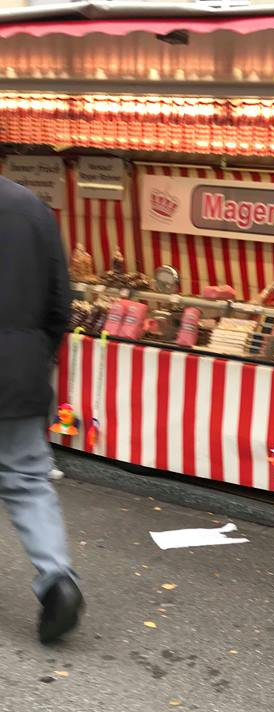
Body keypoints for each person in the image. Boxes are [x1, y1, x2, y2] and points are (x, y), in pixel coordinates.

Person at [0, 176, 83, 644]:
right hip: (20, 370)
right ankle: (58, 580)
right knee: (28, 480)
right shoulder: (32, 208)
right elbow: (60, 303)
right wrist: (36, 354)